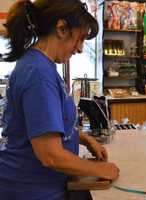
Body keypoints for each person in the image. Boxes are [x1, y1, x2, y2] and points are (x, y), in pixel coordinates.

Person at [0, 0, 120, 199]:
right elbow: (50, 155)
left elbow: (42, 126)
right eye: (80, 39)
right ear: (62, 28)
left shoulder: (40, 65)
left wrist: (83, 139)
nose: (80, 49)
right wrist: (100, 170)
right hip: (32, 191)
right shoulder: (38, 74)